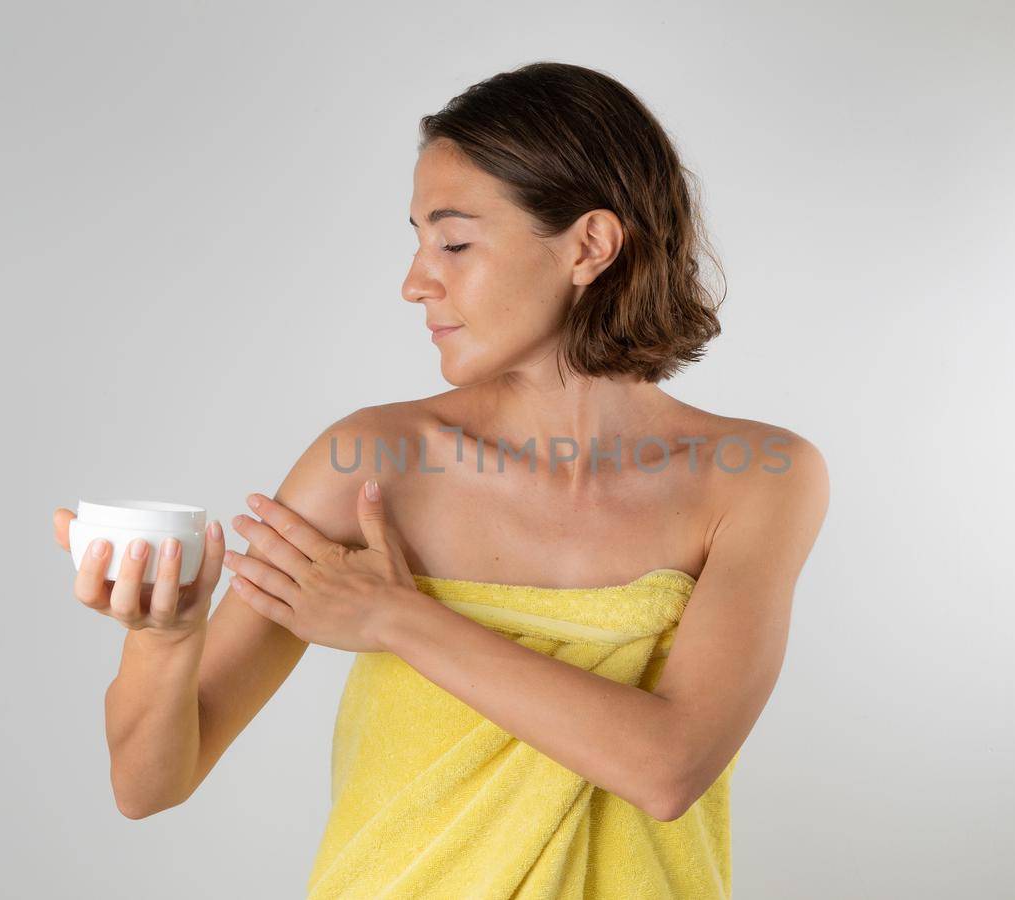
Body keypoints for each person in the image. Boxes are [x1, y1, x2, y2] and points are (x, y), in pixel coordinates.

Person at [52, 61, 829, 899]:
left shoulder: (761, 479)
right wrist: (164, 641)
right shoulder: (372, 462)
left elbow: (669, 767)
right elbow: (148, 786)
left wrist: (396, 617)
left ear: (590, 246)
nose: (416, 281)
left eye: (454, 242)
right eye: (419, 242)